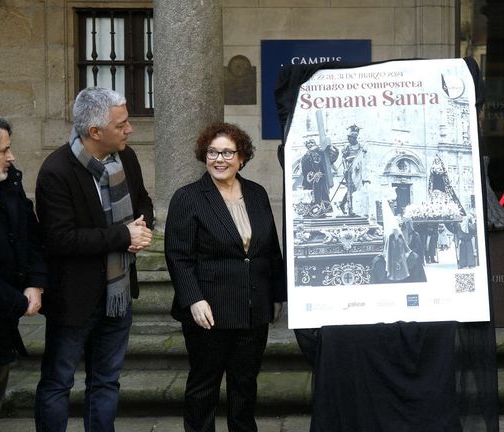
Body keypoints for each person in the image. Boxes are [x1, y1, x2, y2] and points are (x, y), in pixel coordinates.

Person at [34, 87, 154, 431]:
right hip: (73, 299)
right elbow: (60, 238)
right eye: (122, 124)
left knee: (106, 382)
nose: (129, 129)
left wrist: (141, 227)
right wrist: (123, 235)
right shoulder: (56, 170)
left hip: (117, 296)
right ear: (95, 132)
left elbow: (143, 201)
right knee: (58, 383)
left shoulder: (125, 158)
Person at [165, 122, 286, 432]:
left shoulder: (257, 194)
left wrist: (276, 294)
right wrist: (193, 299)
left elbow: (269, 249)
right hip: (210, 311)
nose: (219, 159)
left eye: (227, 153)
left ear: (242, 157)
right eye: (212, 152)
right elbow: (179, 256)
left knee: (244, 387)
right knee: (204, 387)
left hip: (252, 309)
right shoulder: (189, 197)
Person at [0, 118, 47, 417]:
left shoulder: (10, 184)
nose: (12, 156)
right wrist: (18, 302)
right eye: (5, 150)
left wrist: (35, 283)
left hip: (2, 331)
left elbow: (32, 236)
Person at [300, 138, 335, 216]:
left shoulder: (322, 154)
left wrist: (330, 148)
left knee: (322, 194)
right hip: (310, 181)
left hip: (321, 180)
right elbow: (304, 169)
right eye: (308, 144)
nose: (310, 145)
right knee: (310, 196)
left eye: (312, 143)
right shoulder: (306, 157)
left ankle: (322, 211)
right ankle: (311, 212)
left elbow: (329, 162)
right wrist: (312, 175)